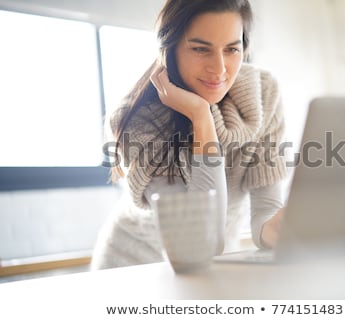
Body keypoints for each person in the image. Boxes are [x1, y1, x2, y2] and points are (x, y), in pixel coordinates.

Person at [91, 0, 288, 269]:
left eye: (232, 49)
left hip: (213, 264)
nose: (219, 69)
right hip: (135, 263)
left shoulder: (263, 93)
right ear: (169, 50)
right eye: (200, 49)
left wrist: (279, 228)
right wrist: (200, 116)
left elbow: (265, 211)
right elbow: (200, 242)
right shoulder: (139, 119)